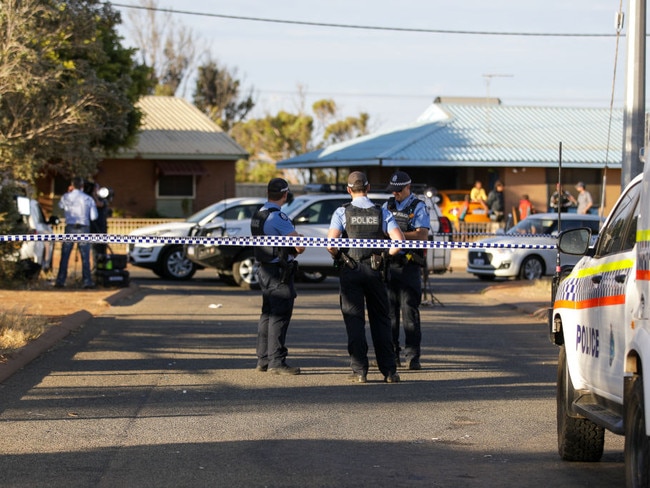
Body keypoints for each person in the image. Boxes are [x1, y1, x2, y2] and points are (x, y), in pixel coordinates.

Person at [327, 171, 405, 383]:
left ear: (348, 190)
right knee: (381, 321)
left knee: (354, 321)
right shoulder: (382, 212)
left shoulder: (341, 212)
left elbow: (331, 244)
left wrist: (340, 256)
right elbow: (399, 242)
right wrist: (383, 257)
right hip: (375, 271)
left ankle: (360, 371)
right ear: (368, 188)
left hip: (350, 270)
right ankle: (389, 371)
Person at [251, 177, 305, 375]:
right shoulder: (277, 217)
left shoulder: (259, 214)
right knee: (279, 317)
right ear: (285, 195)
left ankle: (263, 359)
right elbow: (299, 246)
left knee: (267, 315)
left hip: (264, 270)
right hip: (278, 272)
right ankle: (277, 362)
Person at [383, 171, 430, 370]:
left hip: (409, 265)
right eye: (393, 191)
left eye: (399, 191)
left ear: (408, 187)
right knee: (390, 314)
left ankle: (413, 356)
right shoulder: (388, 205)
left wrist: (397, 235)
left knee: (410, 312)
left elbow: (422, 235)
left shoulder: (418, 207)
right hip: (390, 264)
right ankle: (392, 354)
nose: (395, 194)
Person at [55, 176, 98, 288]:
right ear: (82, 186)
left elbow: (60, 206)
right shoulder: (88, 199)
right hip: (84, 228)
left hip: (70, 227)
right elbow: (94, 216)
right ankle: (87, 281)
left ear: (71, 186)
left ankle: (60, 281)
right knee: (85, 256)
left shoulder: (66, 197)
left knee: (65, 255)